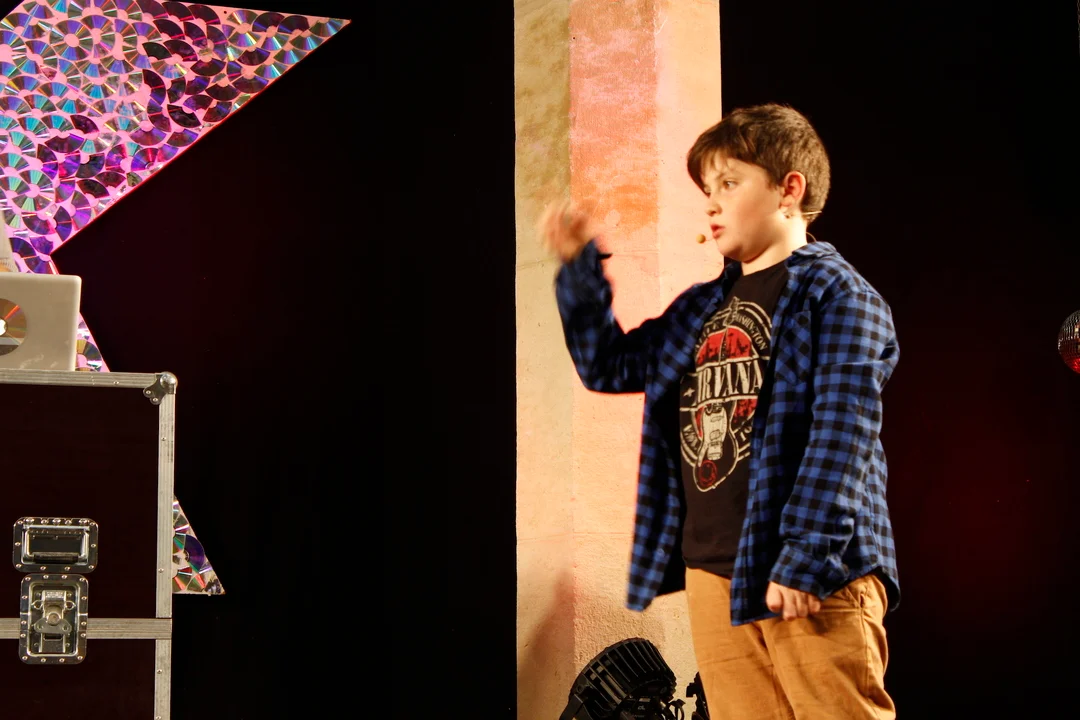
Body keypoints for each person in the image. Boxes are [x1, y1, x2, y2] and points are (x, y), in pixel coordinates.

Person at [539, 103, 900, 719]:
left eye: (729, 183)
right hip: (716, 574)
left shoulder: (838, 295)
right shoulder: (702, 307)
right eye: (708, 190)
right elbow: (609, 365)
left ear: (789, 189)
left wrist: (806, 556)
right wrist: (578, 271)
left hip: (810, 567)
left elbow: (841, 435)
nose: (711, 204)